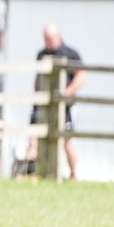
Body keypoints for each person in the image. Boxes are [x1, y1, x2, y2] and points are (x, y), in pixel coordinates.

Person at [29, 23, 86, 179]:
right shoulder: (41, 54)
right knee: (36, 137)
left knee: (67, 141)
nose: (48, 42)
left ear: (58, 36)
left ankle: (73, 174)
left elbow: (82, 75)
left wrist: (67, 93)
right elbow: (37, 77)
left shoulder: (70, 53)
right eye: (45, 39)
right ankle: (36, 172)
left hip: (64, 106)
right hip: (44, 104)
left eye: (50, 38)